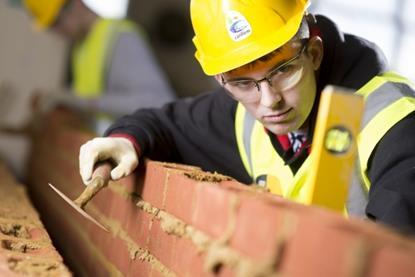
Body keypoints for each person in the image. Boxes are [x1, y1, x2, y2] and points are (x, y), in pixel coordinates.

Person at [78, 0, 415, 234]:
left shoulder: (391, 121)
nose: (270, 101)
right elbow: (164, 124)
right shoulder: (241, 116)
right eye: (242, 83)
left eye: (284, 72)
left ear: (313, 53)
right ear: (222, 81)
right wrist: (125, 140)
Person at [23, 0, 175, 132]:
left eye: (57, 21)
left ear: (76, 3)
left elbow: (157, 102)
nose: (57, 33)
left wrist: (82, 101)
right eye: (51, 27)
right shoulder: (80, 49)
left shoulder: (121, 38)